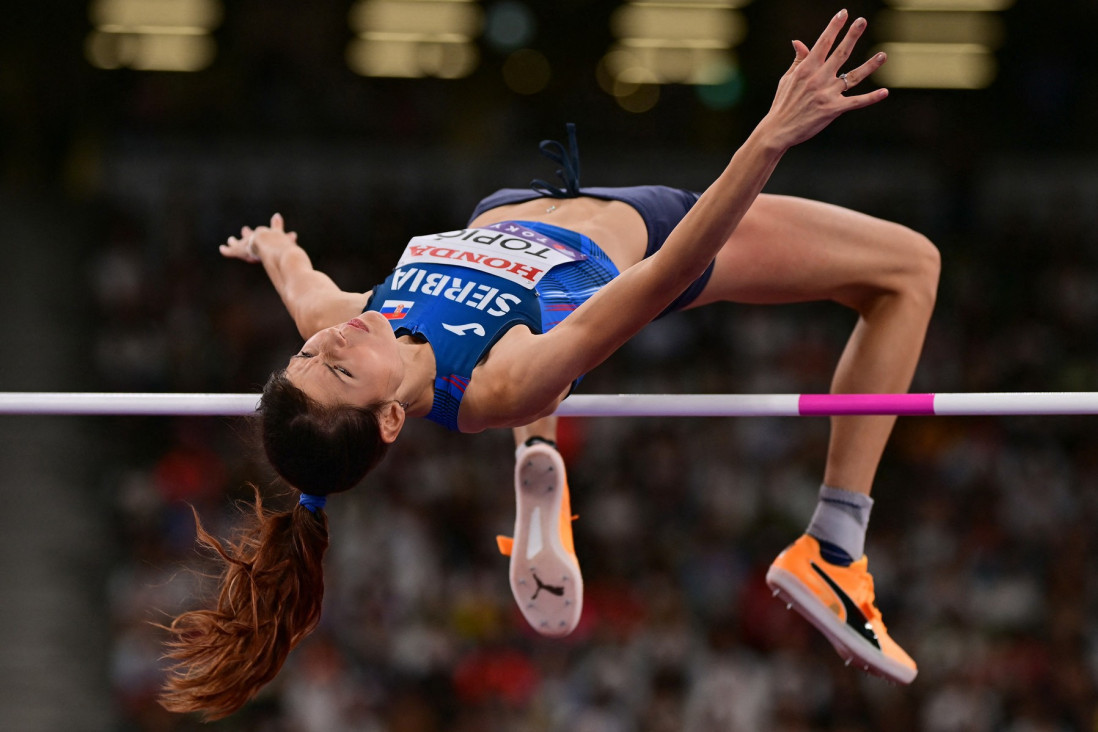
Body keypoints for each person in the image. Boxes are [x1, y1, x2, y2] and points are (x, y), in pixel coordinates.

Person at [159, 12, 938, 720]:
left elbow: (305, 291)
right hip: (655, 233)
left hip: (525, 209)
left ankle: (536, 456)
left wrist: (273, 247)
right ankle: (834, 548)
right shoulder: (497, 381)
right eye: (340, 371)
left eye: (308, 355)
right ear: (391, 417)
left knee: (530, 350)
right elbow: (661, 276)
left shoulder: (344, 324)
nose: (331, 345)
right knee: (908, 269)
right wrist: (769, 136)